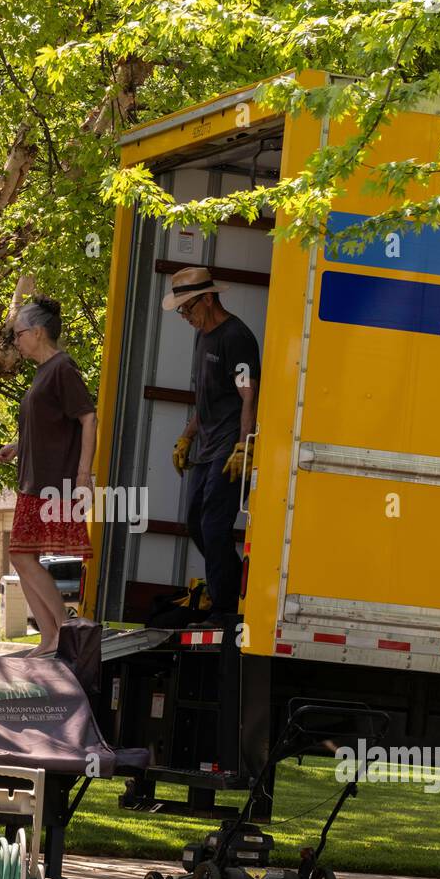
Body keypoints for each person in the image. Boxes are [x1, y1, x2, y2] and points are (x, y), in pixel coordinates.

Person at [0, 297, 98, 655]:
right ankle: (50, 636)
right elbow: (45, 425)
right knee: (21, 556)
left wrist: (83, 475)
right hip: (33, 479)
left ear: (37, 333)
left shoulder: (63, 368)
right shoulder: (43, 372)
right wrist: (15, 446)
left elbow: (88, 418)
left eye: (19, 334)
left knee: (21, 555)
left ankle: (61, 632)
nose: (16, 341)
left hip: (53, 482)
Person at [164, 266, 260, 623]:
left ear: (208, 298)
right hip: (206, 444)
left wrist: (244, 447)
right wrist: (186, 437)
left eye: (188, 308)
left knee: (214, 525)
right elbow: (204, 400)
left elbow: (248, 398)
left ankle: (224, 609)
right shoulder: (203, 336)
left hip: (229, 445)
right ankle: (234, 590)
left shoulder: (236, 337)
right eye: (181, 310)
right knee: (194, 521)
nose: (185, 316)